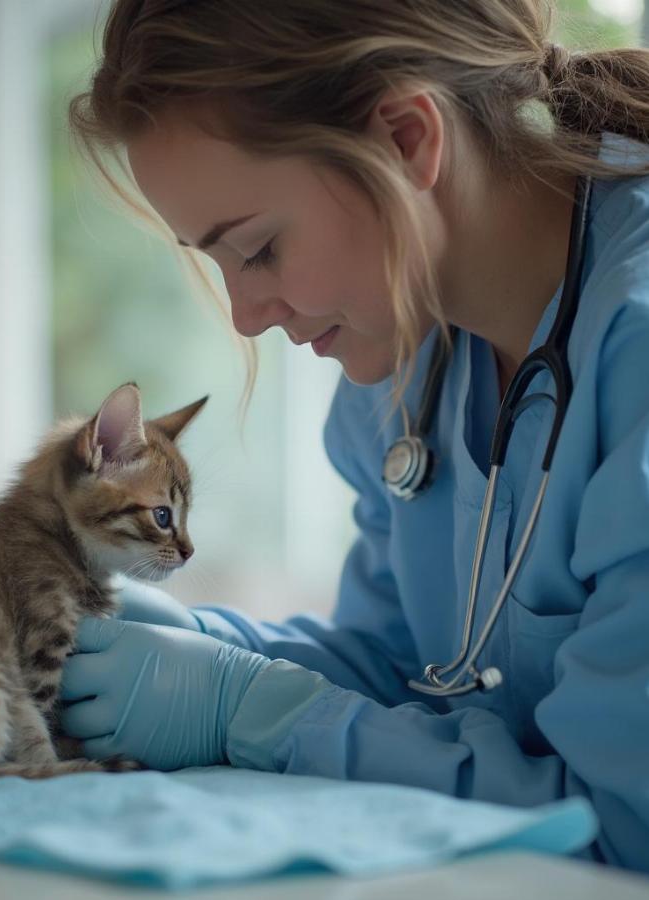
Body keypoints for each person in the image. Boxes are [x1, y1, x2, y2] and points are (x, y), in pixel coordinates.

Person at [58, 0, 649, 873]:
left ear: (408, 140)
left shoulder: (632, 352)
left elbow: (623, 826)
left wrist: (253, 712)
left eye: (256, 250)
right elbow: (410, 672)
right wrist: (210, 647)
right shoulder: (402, 364)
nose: (247, 316)